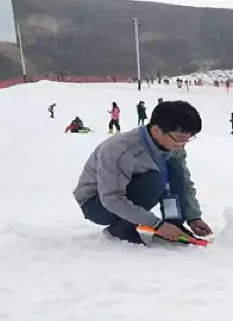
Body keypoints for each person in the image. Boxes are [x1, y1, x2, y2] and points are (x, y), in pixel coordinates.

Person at [73, 100, 211, 245]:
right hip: (97, 204)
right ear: (156, 130)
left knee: (175, 170)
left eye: (187, 140)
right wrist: (156, 225)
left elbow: (184, 182)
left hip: (119, 197)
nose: (181, 145)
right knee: (154, 179)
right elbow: (111, 198)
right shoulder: (120, 149)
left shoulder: (173, 147)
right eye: (179, 140)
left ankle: (174, 223)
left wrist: (193, 216)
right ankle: (122, 229)